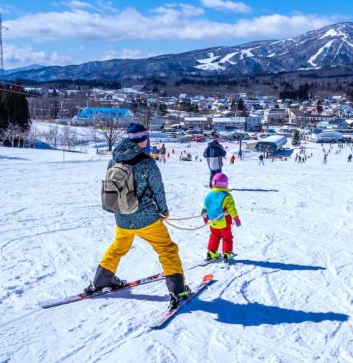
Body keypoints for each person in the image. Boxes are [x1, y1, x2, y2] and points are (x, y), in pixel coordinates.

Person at [87, 123, 191, 311]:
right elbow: (157, 189)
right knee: (167, 249)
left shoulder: (114, 159)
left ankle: (101, 281)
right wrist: (163, 210)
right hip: (145, 218)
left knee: (118, 248)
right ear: (143, 139)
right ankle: (178, 290)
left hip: (122, 217)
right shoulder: (146, 162)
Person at [200, 172, 240, 263]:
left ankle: (212, 252)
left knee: (214, 237)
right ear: (225, 184)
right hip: (224, 223)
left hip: (213, 222)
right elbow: (231, 208)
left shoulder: (209, 195)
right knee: (227, 238)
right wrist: (236, 218)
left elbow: (205, 207)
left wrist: (205, 217)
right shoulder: (226, 196)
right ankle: (227, 253)